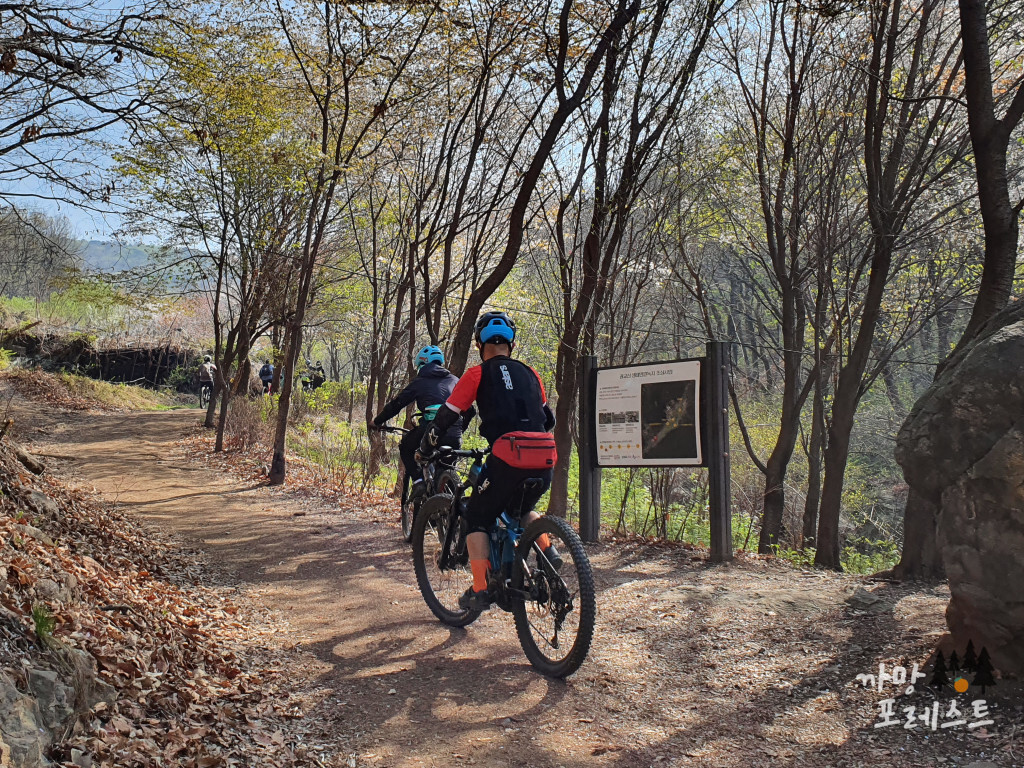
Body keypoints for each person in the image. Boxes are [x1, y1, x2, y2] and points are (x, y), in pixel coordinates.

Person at [418, 311, 560, 612]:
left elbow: (447, 416)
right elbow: (548, 419)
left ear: (479, 343)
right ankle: (549, 551)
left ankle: (482, 589)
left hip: (508, 459)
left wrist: (426, 446)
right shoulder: (532, 373)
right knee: (523, 509)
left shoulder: (477, 374)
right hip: (545, 457)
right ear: (511, 342)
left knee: (477, 514)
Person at [372, 345, 469, 497]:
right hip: (454, 432)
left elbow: (397, 404)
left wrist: (377, 421)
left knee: (406, 447)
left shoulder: (420, 381)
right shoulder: (455, 381)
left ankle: (418, 482)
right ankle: (450, 511)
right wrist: (458, 430)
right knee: (447, 469)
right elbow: (471, 411)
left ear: (422, 364)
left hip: (430, 430)